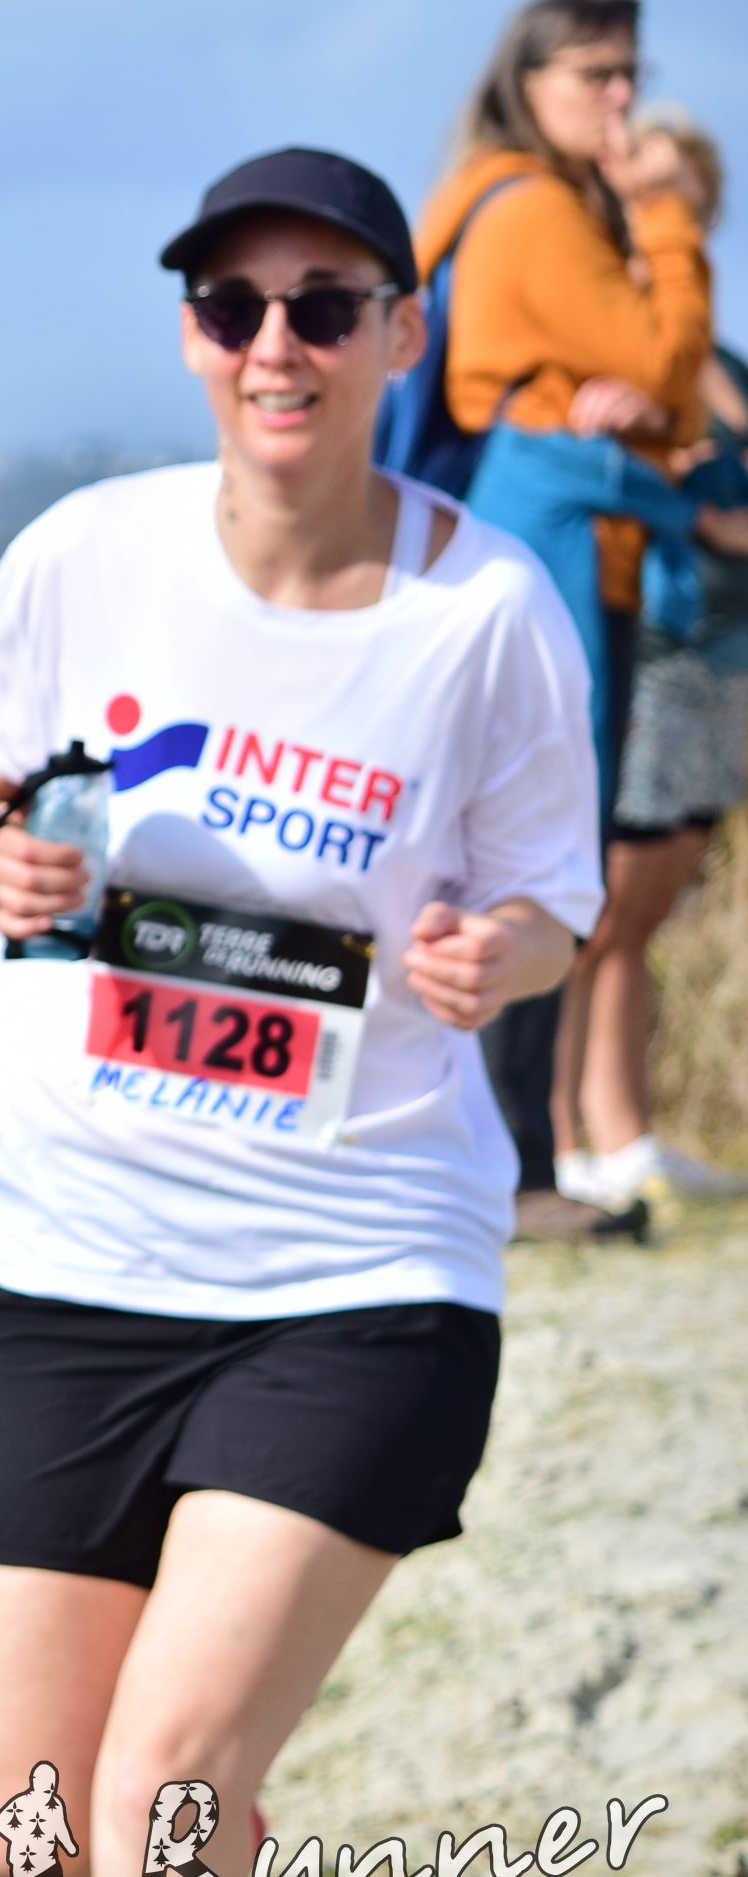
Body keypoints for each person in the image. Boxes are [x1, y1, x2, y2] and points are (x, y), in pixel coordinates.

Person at [0, 150, 603, 1877]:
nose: (276, 344)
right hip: (61, 1259)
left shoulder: (488, 609)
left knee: (170, 1787)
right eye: (233, 307)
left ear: (399, 337)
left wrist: (497, 955)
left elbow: (553, 903)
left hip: (354, 1272)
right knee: (28, 1816)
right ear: (195, 338)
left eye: (324, 308)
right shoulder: (87, 555)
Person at [411, 0, 713, 1240]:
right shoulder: (534, 209)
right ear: (527, 80)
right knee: (538, 849)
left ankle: (517, 1157)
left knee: (517, 843)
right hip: (558, 557)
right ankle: (513, 1167)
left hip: (537, 542)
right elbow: (672, 365)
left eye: (630, 74)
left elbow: (654, 392)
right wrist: (665, 216)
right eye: (594, 74)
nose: (619, 101)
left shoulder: (496, 199)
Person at [555, 109, 748, 1213]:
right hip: (650, 644)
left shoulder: (711, 353)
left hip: (719, 652)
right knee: (605, 909)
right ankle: (573, 1138)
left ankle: (622, 1128)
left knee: (649, 905)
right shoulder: (616, 343)